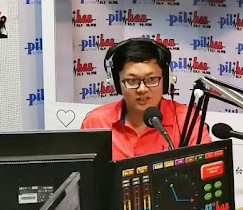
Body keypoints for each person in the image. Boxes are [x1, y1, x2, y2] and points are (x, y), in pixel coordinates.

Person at [81, 37, 210, 160]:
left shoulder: (188, 122)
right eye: (132, 81)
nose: (142, 89)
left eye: (151, 79)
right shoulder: (96, 122)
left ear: (166, 80)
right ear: (116, 83)